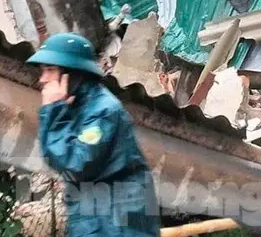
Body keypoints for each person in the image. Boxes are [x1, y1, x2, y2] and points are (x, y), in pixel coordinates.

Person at [27, 32, 161, 236]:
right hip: (99, 220)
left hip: (117, 225)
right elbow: (55, 157)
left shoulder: (103, 111)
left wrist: (53, 110)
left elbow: (75, 163)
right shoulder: (76, 107)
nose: (42, 79)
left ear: (71, 74)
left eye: (49, 70)